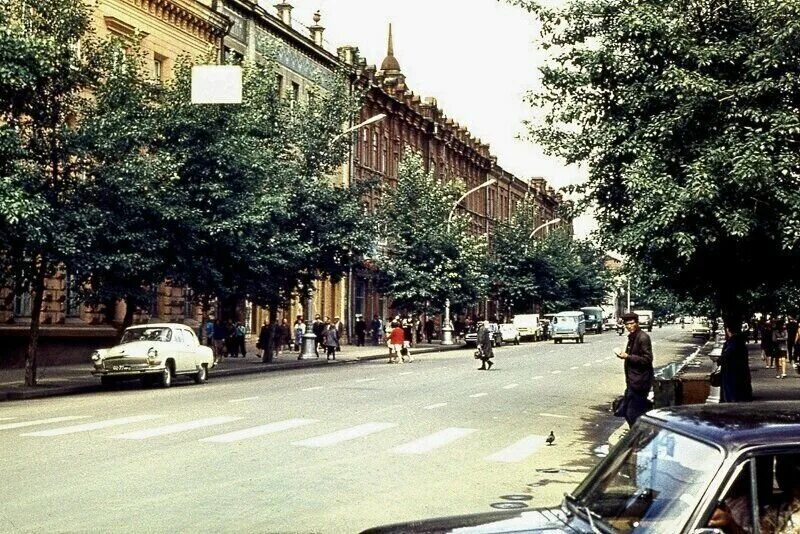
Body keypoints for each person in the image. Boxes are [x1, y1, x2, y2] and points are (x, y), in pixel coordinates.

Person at [616, 312, 654, 427]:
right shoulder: (633, 337)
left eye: (632, 323)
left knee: (632, 413)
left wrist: (628, 356)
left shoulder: (643, 337)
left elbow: (647, 359)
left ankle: (639, 437)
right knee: (626, 411)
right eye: (627, 324)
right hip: (633, 381)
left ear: (637, 323)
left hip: (640, 382)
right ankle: (637, 436)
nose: (629, 326)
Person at [718, 322, 753, 402]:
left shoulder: (732, 342)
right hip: (741, 370)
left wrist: (720, 360)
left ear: (728, 330)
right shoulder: (740, 341)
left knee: (731, 392)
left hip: (731, 371)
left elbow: (727, 355)